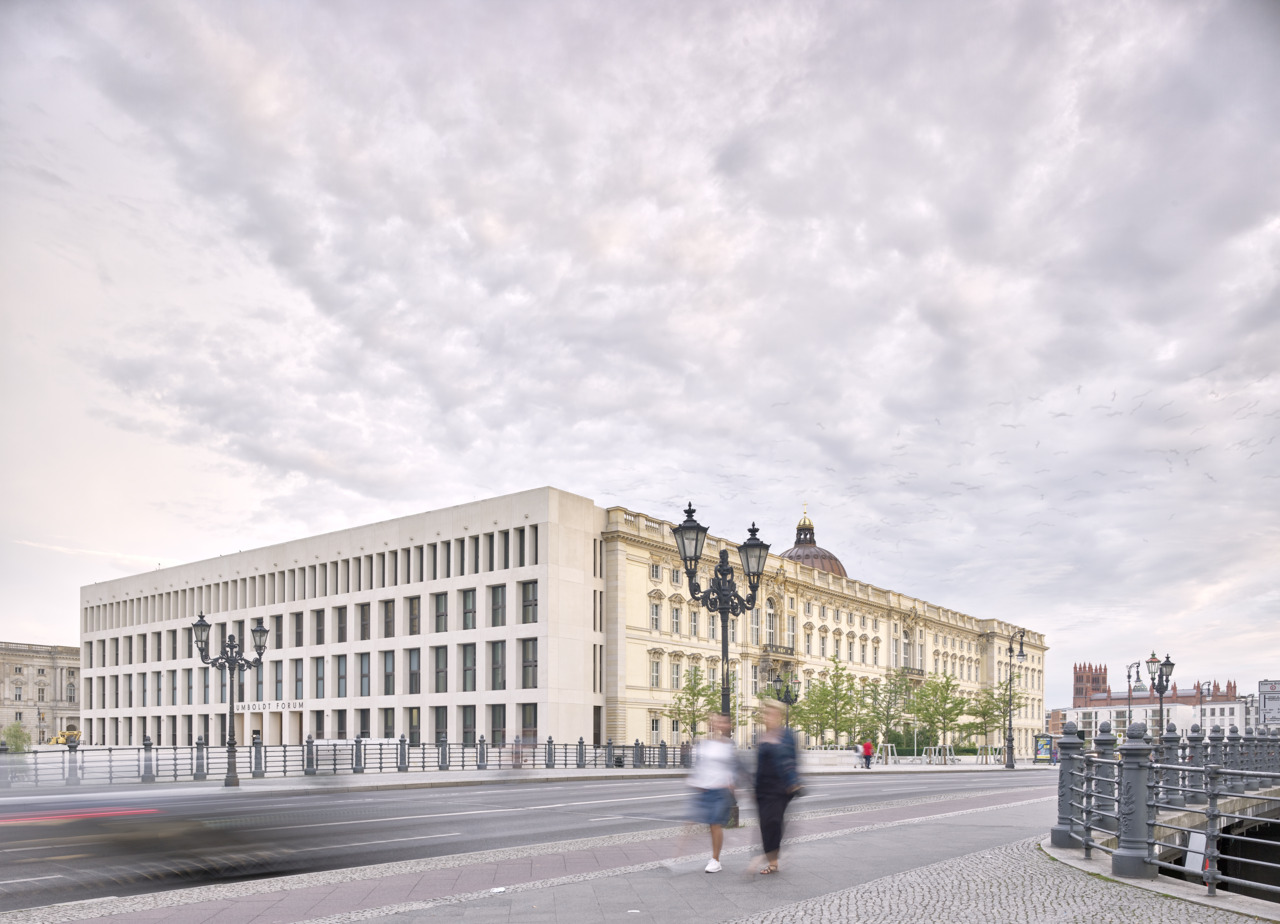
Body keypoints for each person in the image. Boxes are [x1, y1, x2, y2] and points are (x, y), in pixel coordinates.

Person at [685, 712, 738, 873]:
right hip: (706, 788)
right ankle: (714, 857)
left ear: (727, 725)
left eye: (721, 722)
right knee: (710, 824)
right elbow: (701, 765)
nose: (717, 724)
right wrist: (695, 781)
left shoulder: (728, 745)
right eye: (715, 721)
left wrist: (732, 783)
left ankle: (715, 859)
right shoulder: (705, 744)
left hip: (721, 789)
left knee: (715, 823)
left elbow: (734, 766)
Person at [753, 700, 801, 875]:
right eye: (766, 714)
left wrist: (793, 782)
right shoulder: (763, 736)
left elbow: (791, 761)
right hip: (763, 789)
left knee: (773, 821)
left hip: (780, 788)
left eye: (771, 714)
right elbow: (759, 765)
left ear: (779, 716)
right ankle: (772, 855)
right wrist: (755, 788)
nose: (767, 717)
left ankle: (772, 862)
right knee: (766, 824)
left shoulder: (786, 735)